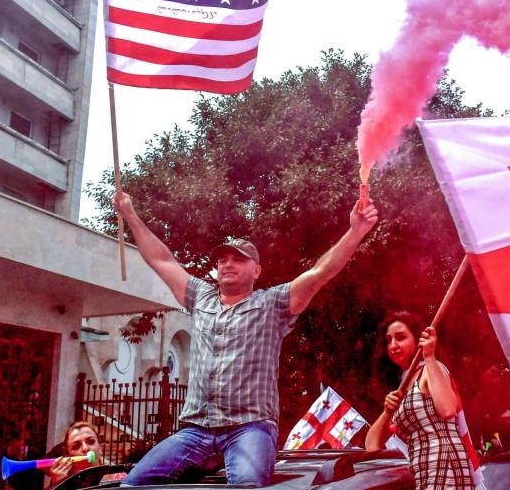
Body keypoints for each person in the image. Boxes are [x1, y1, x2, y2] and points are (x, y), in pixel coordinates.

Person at [114, 191, 378, 487]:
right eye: (223, 259)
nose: (228, 264)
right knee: (132, 485)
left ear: (257, 271)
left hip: (249, 429)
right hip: (196, 430)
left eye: (238, 260)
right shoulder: (200, 297)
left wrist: (356, 231)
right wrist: (131, 215)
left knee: (247, 487)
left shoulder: (272, 304)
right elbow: (162, 260)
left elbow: (319, 272)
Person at [365, 311, 474, 489]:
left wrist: (429, 356)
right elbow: (372, 445)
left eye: (400, 338)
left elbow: (447, 410)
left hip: (445, 466)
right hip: (422, 471)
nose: (393, 345)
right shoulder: (401, 385)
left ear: (417, 340)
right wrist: (387, 412)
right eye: (388, 340)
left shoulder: (432, 369)